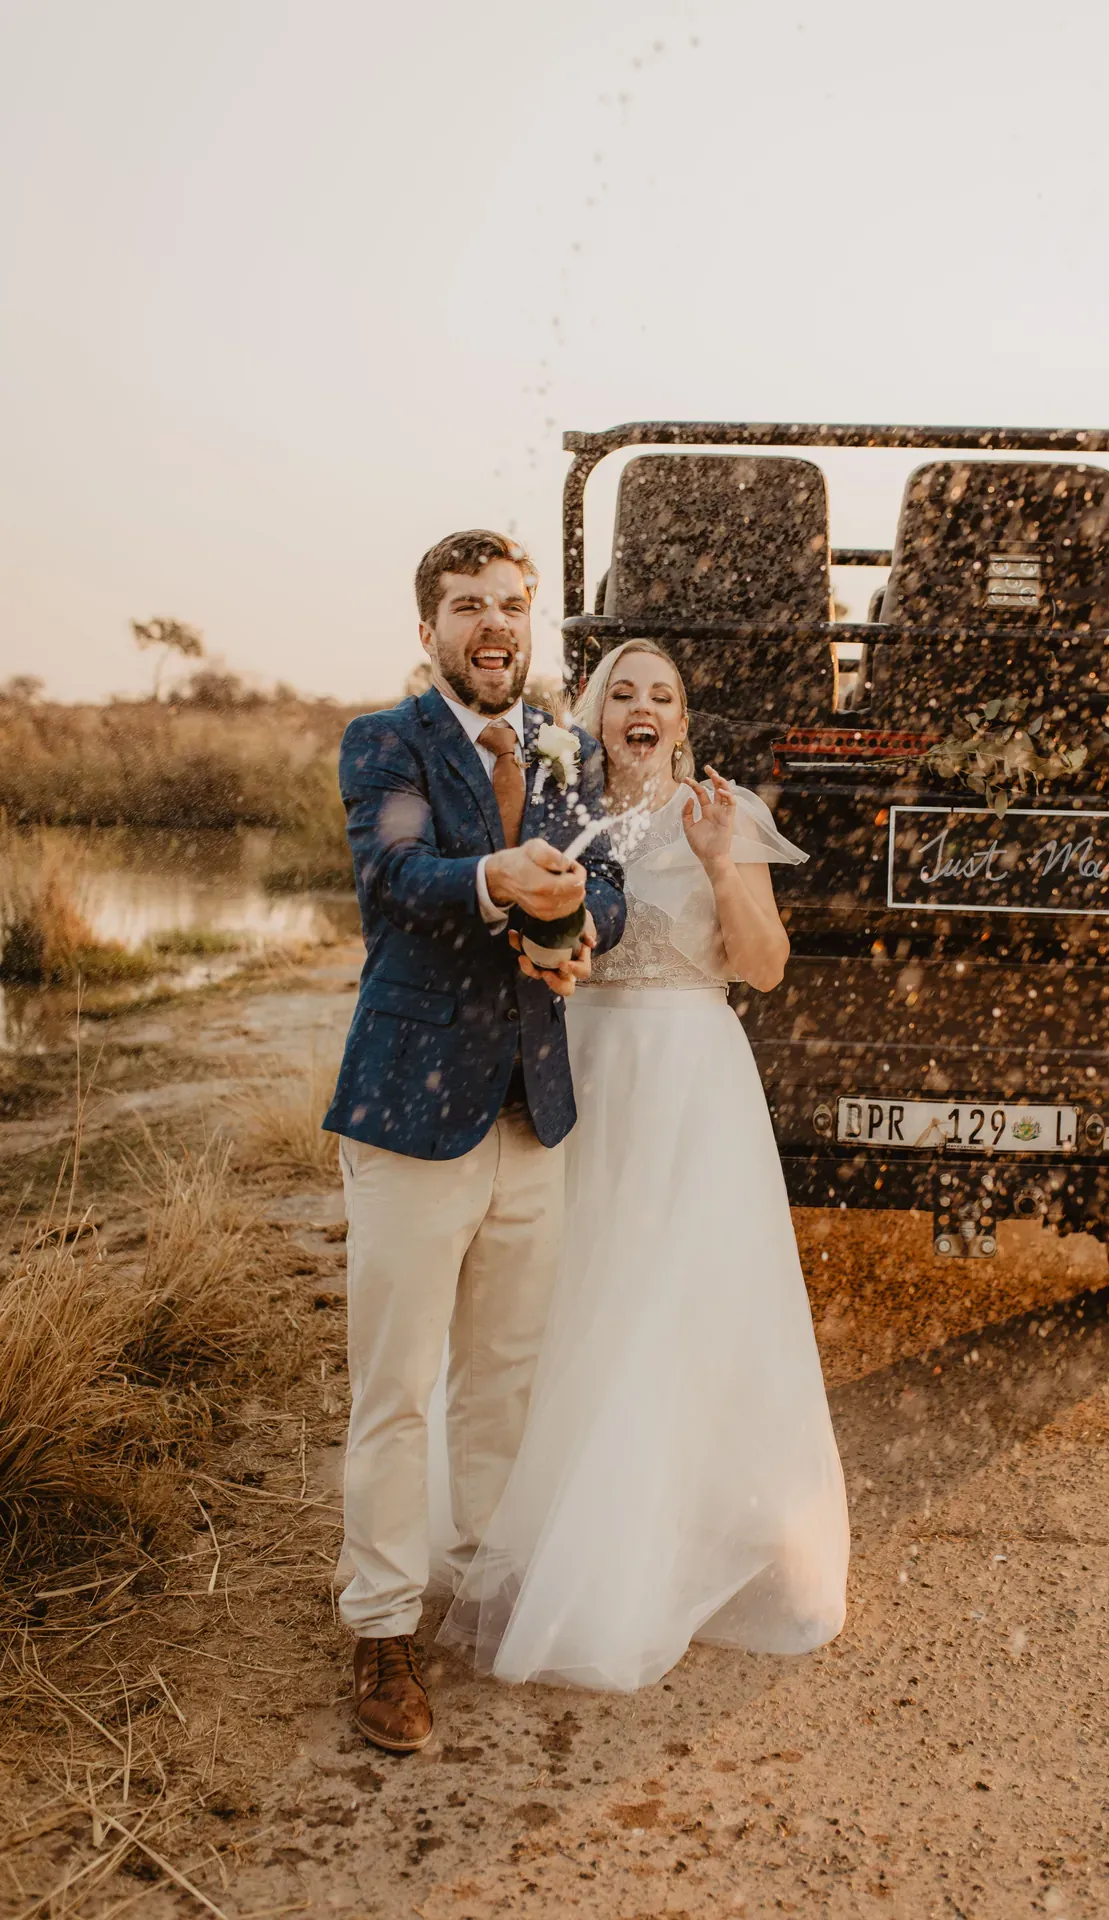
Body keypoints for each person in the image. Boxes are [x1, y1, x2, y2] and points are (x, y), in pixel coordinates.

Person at [439, 640, 850, 1690]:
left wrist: (718, 860)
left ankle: (663, 1540)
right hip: (577, 1075)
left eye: (661, 694)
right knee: (563, 1300)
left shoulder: (721, 811)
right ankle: (547, 1529)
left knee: (677, 1303)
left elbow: (761, 966)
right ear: (590, 713)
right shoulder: (554, 815)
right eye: (620, 691)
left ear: (682, 719)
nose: (641, 707)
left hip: (685, 1081)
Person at [323, 531, 626, 1751]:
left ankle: (487, 1585)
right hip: (409, 1114)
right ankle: (382, 1626)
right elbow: (393, 871)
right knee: (394, 1389)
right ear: (429, 631)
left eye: (509, 605)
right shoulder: (384, 743)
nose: (493, 625)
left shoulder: (566, 747)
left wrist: (579, 925)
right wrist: (499, 880)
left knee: (503, 1375)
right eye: (467, 608)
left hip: (530, 1112)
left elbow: (601, 884)